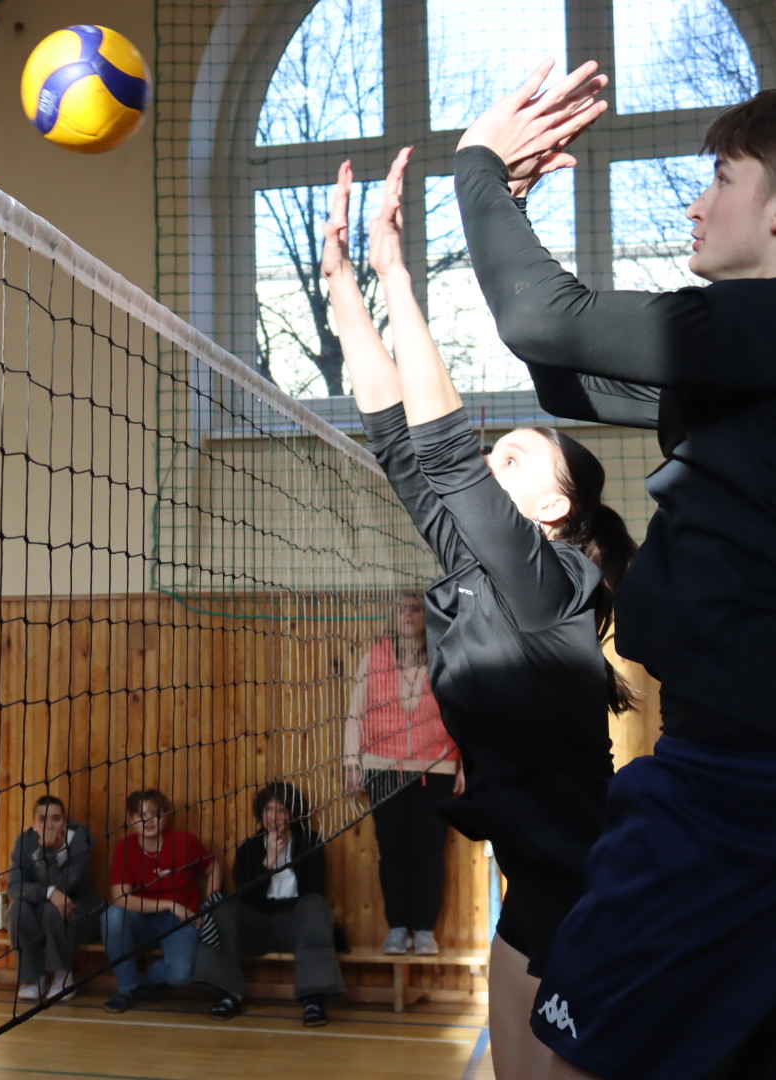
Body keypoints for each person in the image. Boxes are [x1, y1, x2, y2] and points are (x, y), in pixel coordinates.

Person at [453, 66, 776, 1079]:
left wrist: (477, 167)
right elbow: (568, 372)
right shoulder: (742, 364)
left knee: (571, 1063)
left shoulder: (765, 327)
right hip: (725, 776)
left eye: (723, 178)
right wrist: (510, 210)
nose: (697, 203)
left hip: (731, 791)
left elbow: (542, 319)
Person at [322, 148, 632, 1078]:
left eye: (518, 458)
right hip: (531, 881)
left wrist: (398, 275)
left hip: (588, 888)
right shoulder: (474, 567)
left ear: (554, 509)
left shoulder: (554, 582)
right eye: (500, 451)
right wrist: (346, 284)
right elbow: (397, 437)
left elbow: (447, 449)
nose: (495, 460)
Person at [344, 592, 462, 955]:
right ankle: (397, 928)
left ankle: (425, 930)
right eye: (401, 609)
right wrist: (352, 763)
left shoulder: (444, 656)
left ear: (425, 616)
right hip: (382, 766)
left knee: (429, 850)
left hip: (436, 766)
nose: (407, 615)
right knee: (392, 850)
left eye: (414, 608)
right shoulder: (374, 657)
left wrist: (465, 764)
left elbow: (461, 712)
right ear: (392, 617)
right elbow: (355, 712)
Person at [217, 781, 344, 1027]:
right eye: (269, 809)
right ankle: (228, 994)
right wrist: (269, 862)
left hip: (296, 923)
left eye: (281, 810)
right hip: (258, 924)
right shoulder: (249, 848)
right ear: (261, 812)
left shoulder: (309, 842)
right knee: (223, 906)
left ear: (292, 815)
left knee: (316, 906)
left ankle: (313, 999)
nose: (273, 817)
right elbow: (246, 898)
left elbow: (314, 891)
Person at [100, 789, 219, 1015]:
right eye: (141, 815)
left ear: (166, 816)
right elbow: (120, 898)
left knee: (180, 975)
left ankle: (147, 981)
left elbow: (213, 868)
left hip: (180, 922)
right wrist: (168, 904)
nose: (149, 820)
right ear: (131, 820)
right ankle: (127, 989)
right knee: (111, 917)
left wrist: (208, 906)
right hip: (141, 921)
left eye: (155, 814)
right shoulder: (125, 848)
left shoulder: (185, 842)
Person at [6, 795, 102, 1002]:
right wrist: (48, 893)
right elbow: (14, 887)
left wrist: (47, 851)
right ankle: (34, 978)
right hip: (41, 910)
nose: (49, 825)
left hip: (81, 911)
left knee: (54, 909)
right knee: (17, 910)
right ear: (34, 823)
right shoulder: (25, 841)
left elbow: (66, 888)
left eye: (56, 819)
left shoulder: (81, 838)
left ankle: (63, 976)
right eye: (43, 819)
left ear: (65, 821)